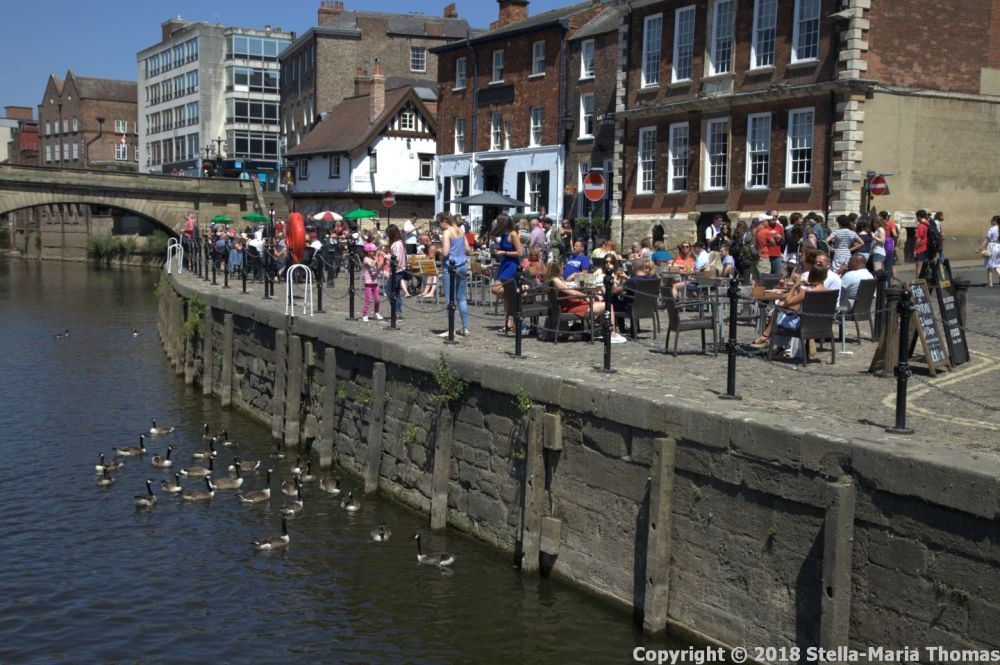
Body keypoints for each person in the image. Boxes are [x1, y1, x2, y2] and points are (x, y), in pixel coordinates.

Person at [751, 266, 830, 351]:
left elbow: (788, 301)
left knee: (777, 313)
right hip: (820, 325)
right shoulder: (828, 291)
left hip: (803, 325)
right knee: (782, 311)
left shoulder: (808, 291)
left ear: (811, 275)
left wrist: (795, 286)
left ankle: (766, 338)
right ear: (825, 277)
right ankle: (777, 346)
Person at [543, 260, 611, 339]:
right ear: (558, 269)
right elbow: (570, 292)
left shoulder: (555, 279)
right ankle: (610, 333)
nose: (563, 269)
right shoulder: (556, 280)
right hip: (571, 307)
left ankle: (601, 330)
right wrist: (586, 296)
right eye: (562, 267)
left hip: (568, 304)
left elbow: (568, 290)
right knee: (608, 306)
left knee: (600, 301)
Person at [386, 224, 407, 319]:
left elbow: (396, 258)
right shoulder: (401, 243)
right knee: (396, 292)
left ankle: (396, 312)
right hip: (401, 269)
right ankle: (398, 312)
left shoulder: (396, 244)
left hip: (397, 270)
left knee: (390, 291)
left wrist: (386, 255)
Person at [360, 243, 384, 322]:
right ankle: (365, 314)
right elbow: (372, 265)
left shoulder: (374, 258)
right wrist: (377, 257)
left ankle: (376, 313)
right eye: (373, 251)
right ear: (368, 251)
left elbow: (378, 269)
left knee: (377, 300)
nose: (374, 252)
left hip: (375, 282)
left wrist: (383, 263)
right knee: (368, 300)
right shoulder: (366, 259)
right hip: (368, 283)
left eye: (374, 251)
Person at [981, 215, 1000, 287]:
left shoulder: (992, 229)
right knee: (997, 265)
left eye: (992, 220)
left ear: (994, 221)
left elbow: (986, 240)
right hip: (999, 246)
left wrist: (979, 248)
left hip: (993, 246)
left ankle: (990, 284)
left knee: (989, 266)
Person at [914, 209, 931, 280]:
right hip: (927, 248)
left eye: (917, 217)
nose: (916, 218)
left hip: (921, 249)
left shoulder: (921, 226)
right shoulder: (928, 224)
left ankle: (917, 284)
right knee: (925, 268)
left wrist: (915, 249)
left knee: (919, 268)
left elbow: (918, 240)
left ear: (919, 217)